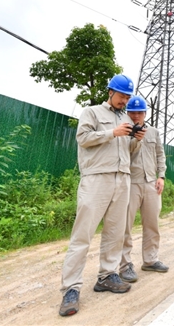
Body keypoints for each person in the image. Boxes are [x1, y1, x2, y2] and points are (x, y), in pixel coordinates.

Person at [59, 74, 146, 317]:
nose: (124, 101)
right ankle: (70, 289)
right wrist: (112, 132)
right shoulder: (92, 112)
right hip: (97, 178)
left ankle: (107, 275)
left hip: (122, 179)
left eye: (127, 97)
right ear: (110, 92)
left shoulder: (126, 118)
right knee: (83, 235)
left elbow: (128, 150)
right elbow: (83, 139)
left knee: (115, 233)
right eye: (121, 96)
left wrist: (136, 140)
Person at [119, 95, 169, 283]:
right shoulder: (123, 131)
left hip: (151, 183)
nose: (136, 116)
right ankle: (125, 265)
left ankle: (150, 260)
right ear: (128, 113)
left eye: (140, 112)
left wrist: (161, 176)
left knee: (152, 223)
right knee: (126, 225)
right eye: (132, 112)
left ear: (145, 113)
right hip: (130, 182)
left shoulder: (153, 132)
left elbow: (160, 155)